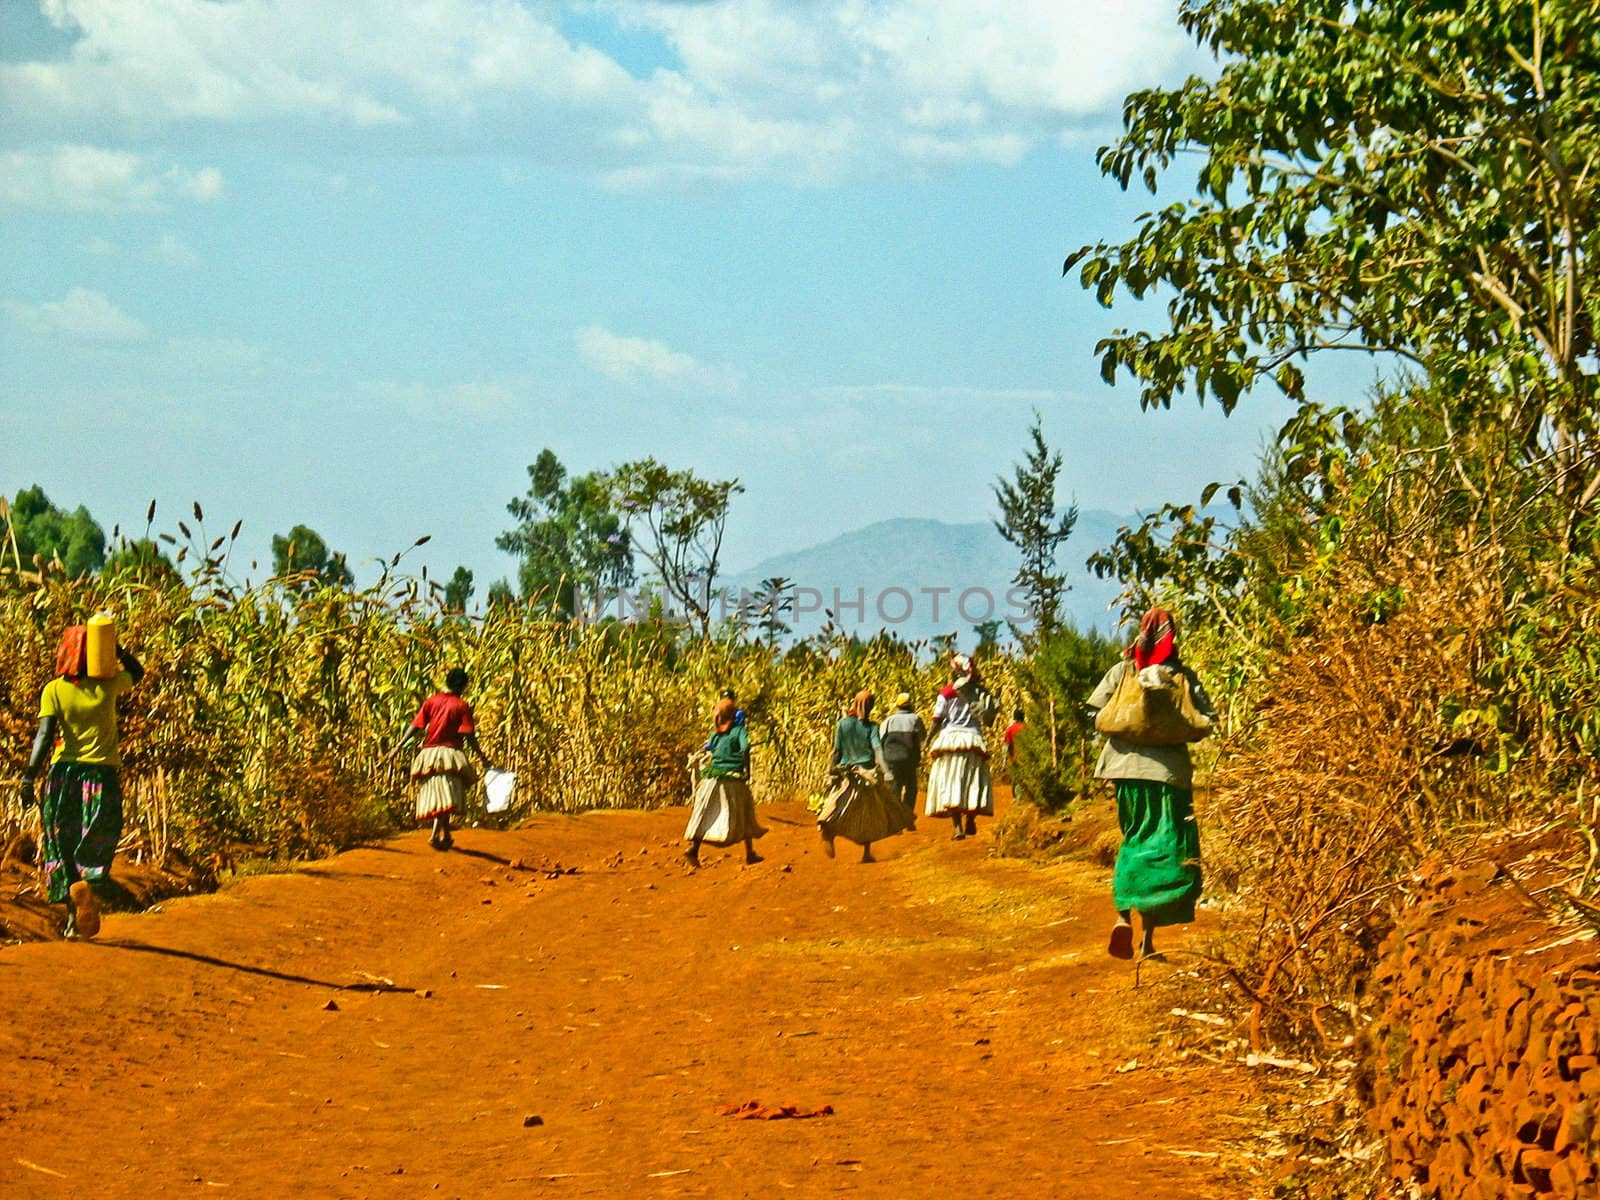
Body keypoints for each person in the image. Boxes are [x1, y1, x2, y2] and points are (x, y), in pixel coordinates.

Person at [1086, 606, 1216, 961]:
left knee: (1134, 838)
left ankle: (1121, 916)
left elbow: (1095, 713)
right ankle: (1147, 941)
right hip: (1168, 774)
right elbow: (1206, 720)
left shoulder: (1121, 671)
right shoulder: (1182, 676)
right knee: (1166, 847)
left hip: (1124, 771)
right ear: (1172, 637)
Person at [19, 624, 145, 940]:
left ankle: (74, 910)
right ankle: (88, 883)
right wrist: (117, 651)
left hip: (63, 775)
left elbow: (45, 735)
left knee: (61, 838)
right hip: (100, 776)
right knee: (98, 834)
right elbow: (138, 672)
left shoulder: (53, 690)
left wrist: (28, 777)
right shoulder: (108, 685)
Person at [397, 668, 492, 852]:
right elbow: (469, 735)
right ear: (463, 686)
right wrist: (482, 757)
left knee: (442, 796)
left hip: (429, 755)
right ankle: (434, 836)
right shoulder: (461, 706)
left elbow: (416, 725)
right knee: (447, 795)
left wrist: (399, 745)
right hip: (449, 755)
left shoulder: (432, 701)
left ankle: (446, 834)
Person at [818, 689, 914, 863]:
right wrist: (886, 771)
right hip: (866, 776)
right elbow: (877, 749)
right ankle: (866, 853)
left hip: (845, 774)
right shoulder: (871, 727)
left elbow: (837, 751)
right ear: (869, 706)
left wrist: (831, 770)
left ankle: (829, 831)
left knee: (838, 806)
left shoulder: (842, 724)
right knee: (869, 815)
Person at [684, 696, 765, 868]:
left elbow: (709, 748)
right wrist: (747, 770)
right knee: (745, 811)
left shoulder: (716, 734)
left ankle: (694, 848)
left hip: (712, 779)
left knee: (705, 812)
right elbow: (745, 749)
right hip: (732, 778)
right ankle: (750, 853)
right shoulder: (740, 732)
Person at [924, 653, 994, 840]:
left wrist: (928, 739)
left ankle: (957, 828)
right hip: (973, 739)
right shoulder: (979, 692)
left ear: (954, 672)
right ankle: (971, 818)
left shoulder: (946, 693)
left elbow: (937, 720)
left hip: (950, 739)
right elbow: (988, 716)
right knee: (972, 781)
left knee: (951, 782)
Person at [879, 692, 926, 820]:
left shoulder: (889, 720)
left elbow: (881, 739)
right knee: (911, 788)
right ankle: (907, 815)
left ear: (897, 706)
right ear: (910, 706)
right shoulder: (915, 719)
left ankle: (895, 818)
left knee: (896, 787)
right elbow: (922, 737)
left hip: (891, 759)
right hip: (909, 759)